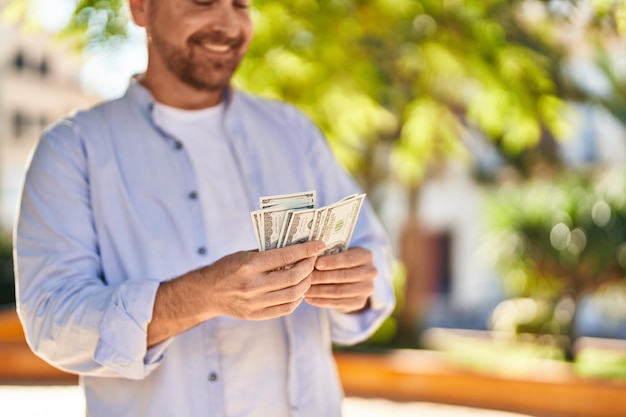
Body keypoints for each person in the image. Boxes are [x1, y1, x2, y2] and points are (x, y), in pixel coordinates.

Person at [13, 0, 395, 416]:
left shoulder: (292, 131)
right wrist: (202, 296)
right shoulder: (72, 149)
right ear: (140, 8)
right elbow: (52, 320)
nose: (229, 25)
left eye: (241, 5)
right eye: (204, 2)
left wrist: (354, 286)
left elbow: (373, 263)